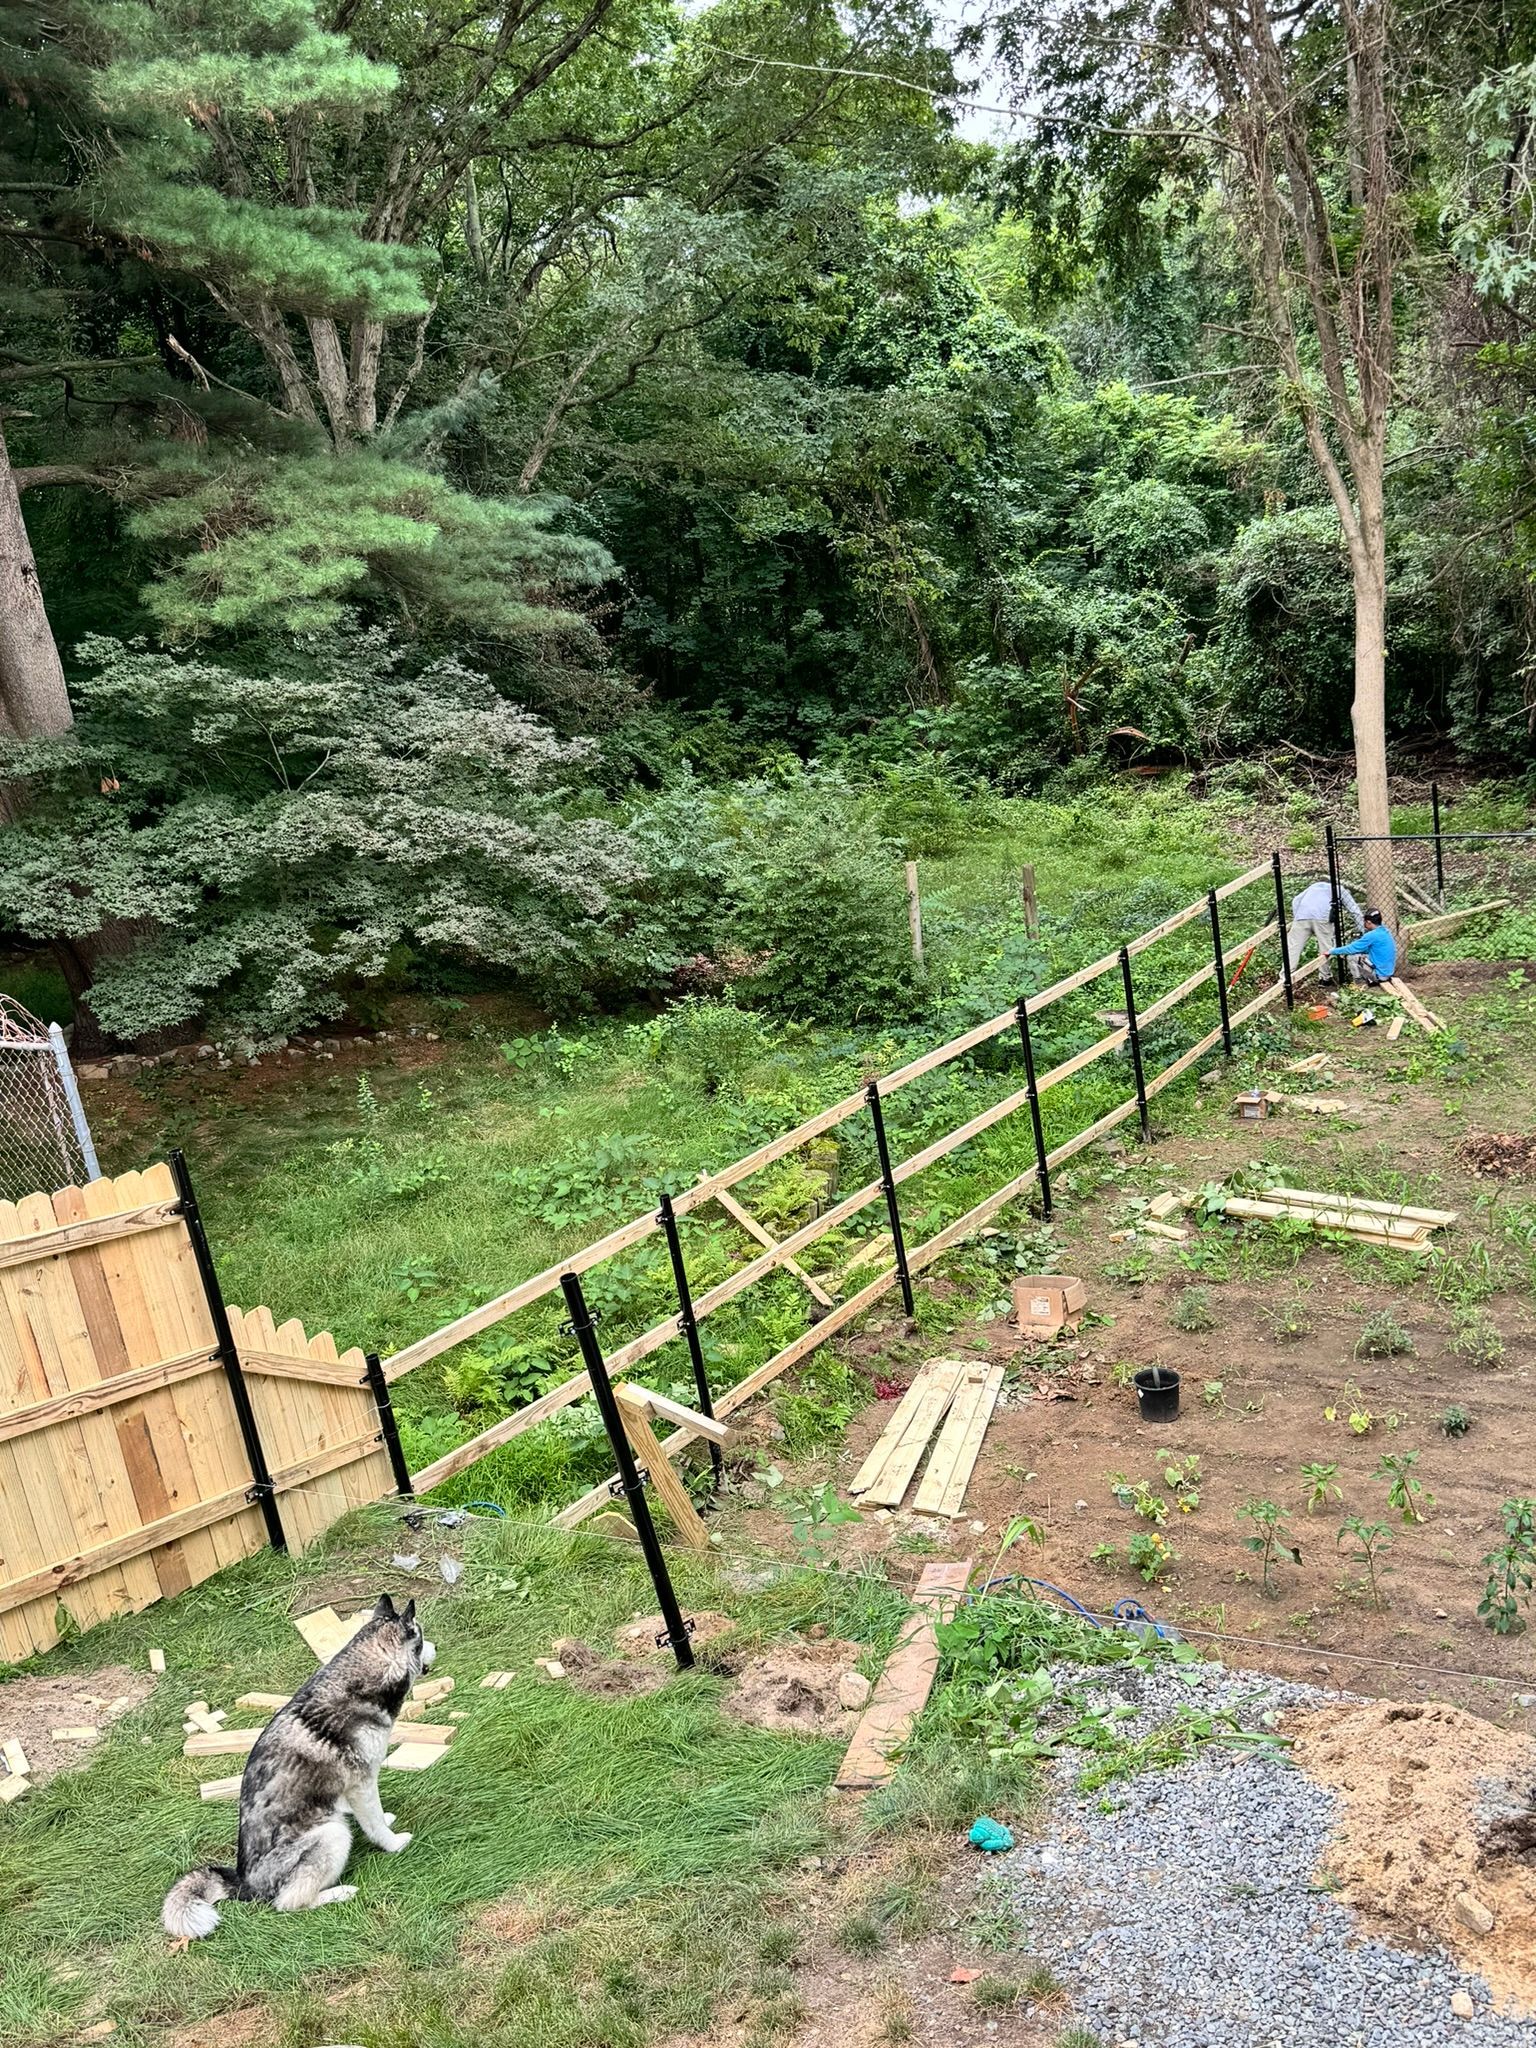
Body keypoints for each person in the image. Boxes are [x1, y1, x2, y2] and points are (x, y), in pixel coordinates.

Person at [1286, 877, 1363, 986]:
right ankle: (1324, 977)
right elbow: (1355, 911)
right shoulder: (1339, 889)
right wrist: (1362, 930)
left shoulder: (1313, 887)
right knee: (1325, 948)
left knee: (1293, 947)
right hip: (1323, 918)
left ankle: (1285, 978)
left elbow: (1296, 901)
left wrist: (1297, 916)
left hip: (1302, 916)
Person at [1330, 909, 1398, 987]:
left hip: (1379, 975)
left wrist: (1332, 951)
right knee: (1363, 955)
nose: (1364, 924)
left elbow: (1351, 948)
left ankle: (1359, 983)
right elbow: (1371, 949)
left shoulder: (1372, 935)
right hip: (1388, 972)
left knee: (1352, 957)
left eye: (1364, 922)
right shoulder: (1385, 931)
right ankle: (1370, 979)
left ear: (1368, 922)